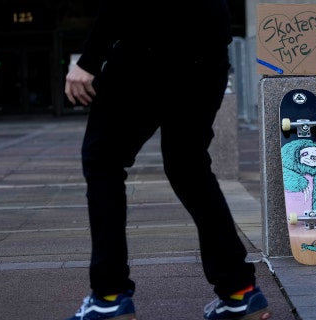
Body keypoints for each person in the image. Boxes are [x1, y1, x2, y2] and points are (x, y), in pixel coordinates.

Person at [63, 1, 271, 320]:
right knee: (188, 166)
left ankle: (108, 296)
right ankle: (239, 291)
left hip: (149, 47)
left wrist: (89, 60)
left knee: (103, 160)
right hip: (208, 53)